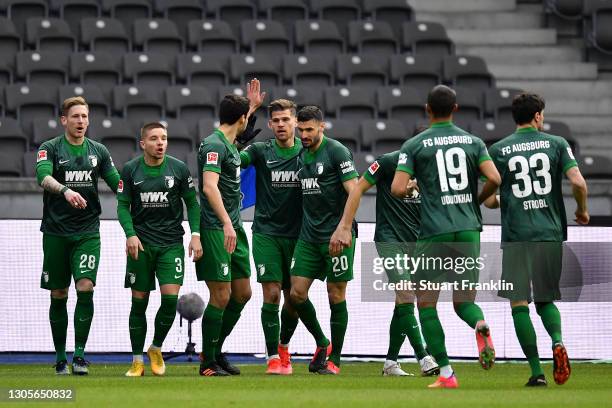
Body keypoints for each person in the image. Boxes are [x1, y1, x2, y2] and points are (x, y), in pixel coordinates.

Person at [390, 85, 501, 388]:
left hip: (434, 231)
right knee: (464, 301)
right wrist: (475, 201)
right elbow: (494, 179)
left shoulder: (414, 144)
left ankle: (446, 374)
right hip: (468, 231)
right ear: (456, 108)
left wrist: (414, 187)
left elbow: (397, 189)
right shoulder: (473, 141)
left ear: (427, 109)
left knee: (426, 303)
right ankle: (479, 324)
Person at [485, 93, 589, 387]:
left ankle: (536, 372)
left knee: (519, 303)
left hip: (518, 236)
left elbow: (490, 199)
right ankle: (557, 341)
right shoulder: (557, 144)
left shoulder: (500, 149)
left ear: (515, 117)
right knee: (546, 300)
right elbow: (578, 182)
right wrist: (582, 210)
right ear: (539, 116)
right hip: (549, 233)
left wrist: (507, 199)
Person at [329, 136, 439, 377]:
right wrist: (345, 226)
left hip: (420, 243)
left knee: (403, 302)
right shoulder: (389, 162)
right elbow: (358, 186)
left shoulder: (435, 170)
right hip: (389, 240)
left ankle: (390, 362)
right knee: (406, 295)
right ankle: (424, 357)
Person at [36, 96, 120, 375]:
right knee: (59, 292)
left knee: (86, 286)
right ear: (64, 120)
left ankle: (80, 355)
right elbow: (42, 177)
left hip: (87, 232)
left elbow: (117, 182)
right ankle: (61, 357)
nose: (81, 121)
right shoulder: (49, 148)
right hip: (56, 232)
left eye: (84, 116)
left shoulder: (99, 151)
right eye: (75, 117)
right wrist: (65, 190)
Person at [117, 122, 202, 377]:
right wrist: (130, 235)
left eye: (164, 138)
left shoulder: (178, 168)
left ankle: (155, 347)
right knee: (138, 303)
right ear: (143, 143)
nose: (160, 142)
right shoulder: (131, 170)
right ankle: (136, 360)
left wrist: (195, 235)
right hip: (141, 246)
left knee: (169, 301)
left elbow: (193, 204)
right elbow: (122, 206)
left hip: (170, 245)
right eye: (154, 138)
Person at [196, 80, 265, 376]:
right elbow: (209, 188)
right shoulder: (213, 145)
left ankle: (215, 349)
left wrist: (252, 108)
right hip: (216, 227)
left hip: (233, 227)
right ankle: (208, 361)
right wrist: (226, 223)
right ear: (240, 120)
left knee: (243, 292)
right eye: (246, 118)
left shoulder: (229, 144)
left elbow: (238, 137)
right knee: (221, 295)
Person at [290, 105, 359, 375]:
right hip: (308, 236)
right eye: (301, 129)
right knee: (296, 293)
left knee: (335, 294)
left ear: (322, 127)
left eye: (309, 129)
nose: (304, 134)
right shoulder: (301, 155)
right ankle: (323, 342)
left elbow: (354, 192)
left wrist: (343, 228)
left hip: (336, 236)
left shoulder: (337, 151)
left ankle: (336, 360)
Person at [240, 99, 302, 375]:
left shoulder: (308, 152)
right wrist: (244, 125)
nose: (280, 125)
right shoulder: (260, 151)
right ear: (269, 124)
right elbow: (232, 158)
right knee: (272, 294)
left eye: (285, 120)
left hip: (301, 236)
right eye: (275, 120)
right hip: (266, 233)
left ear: (296, 123)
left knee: (294, 298)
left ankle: (285, 345)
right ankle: (272, 356)